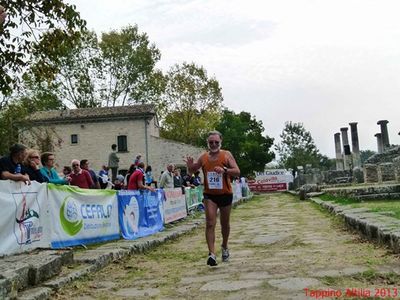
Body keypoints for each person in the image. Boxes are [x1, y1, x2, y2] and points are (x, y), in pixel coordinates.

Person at [185, 130, 240, 266]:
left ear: (220, 142)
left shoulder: (226, 155)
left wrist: (225, 170)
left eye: (216, 142)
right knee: (210, 222)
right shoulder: (203, 157)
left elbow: (237, 172)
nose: (214, 144)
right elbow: (192, 171)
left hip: (225, 194)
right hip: (210, 195)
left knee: (224, 224)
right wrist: (189, 166)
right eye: (211, 142)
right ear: (207, 143)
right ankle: (212, 254)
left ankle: (225, 246)